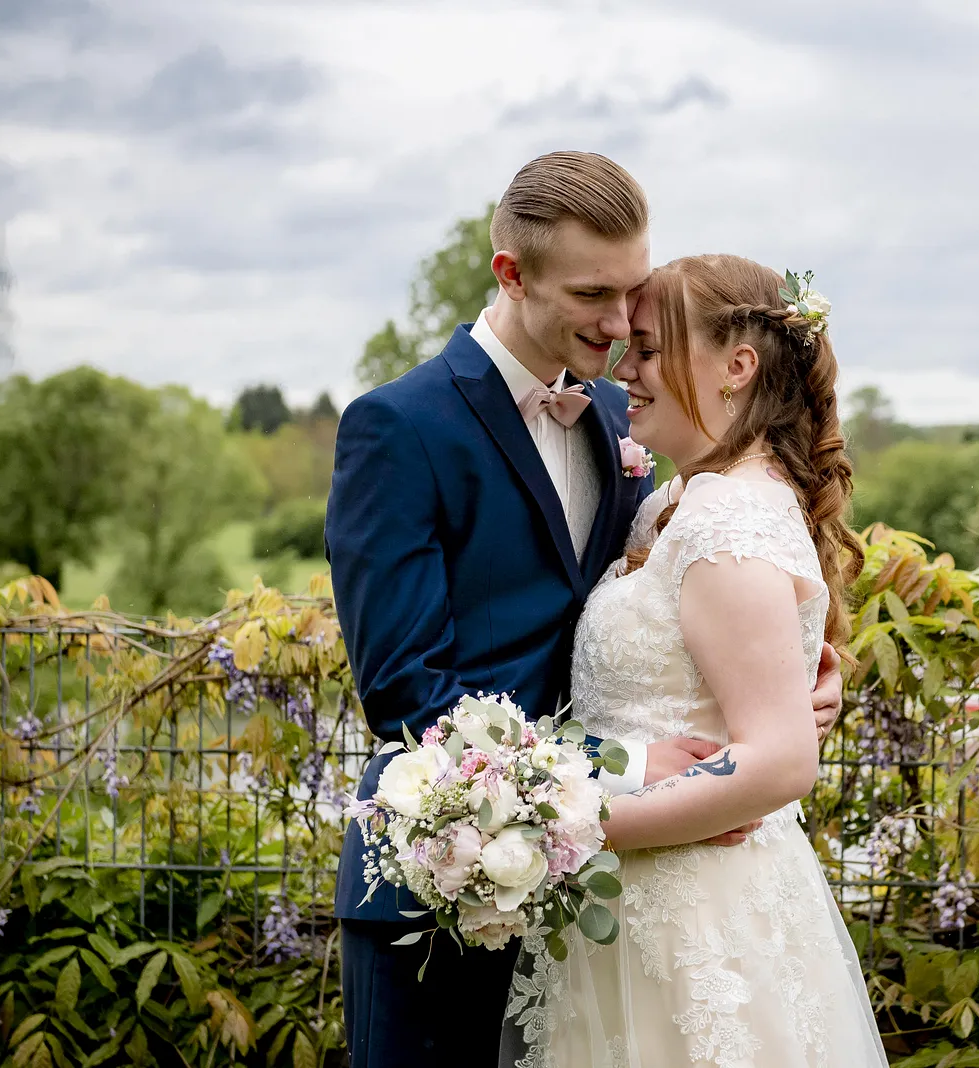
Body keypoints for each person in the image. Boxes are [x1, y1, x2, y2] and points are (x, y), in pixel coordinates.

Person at [325, 153, 844, 1068]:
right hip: (446, 879)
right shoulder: (397, 428)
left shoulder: (629, 422)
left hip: (609, 906)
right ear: (512, 275)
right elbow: (407, 693)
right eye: (594, 295)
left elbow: (683, 610)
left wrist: (787, 692)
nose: (618, 327)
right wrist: (626, 767)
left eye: (633, 296)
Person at [500, 254, 887, 1067]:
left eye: (646, 349)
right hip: (629, 908)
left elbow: (780, 761)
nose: (622, 369)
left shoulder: (726, 523)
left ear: (738, 366)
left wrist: (572, 829)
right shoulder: (677, 505)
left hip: (699, 916)